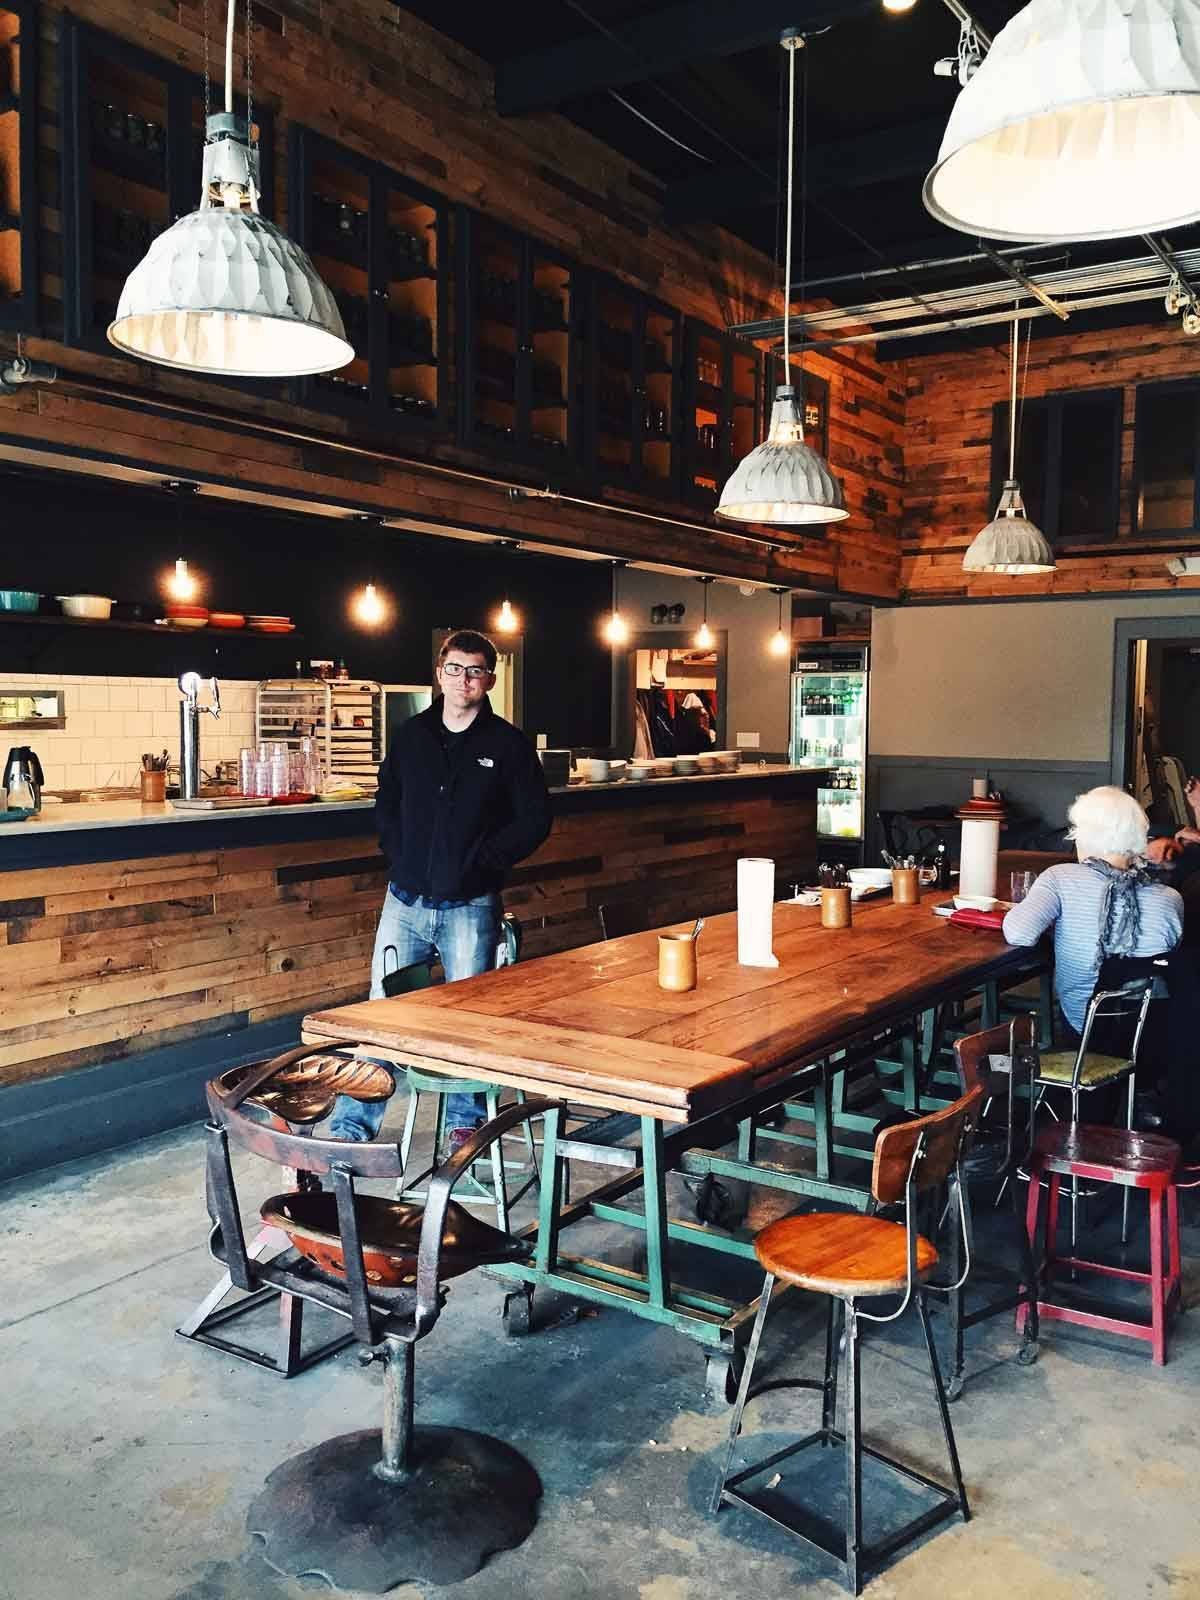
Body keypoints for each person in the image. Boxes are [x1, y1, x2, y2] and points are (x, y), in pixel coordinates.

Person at [327, 629, 551, 1148]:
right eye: (454, 668)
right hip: (404, 901)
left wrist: (485, 862)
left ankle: (462, 1125)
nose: (463, 680)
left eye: (474, 671)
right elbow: (388, 800)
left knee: (465, 1019)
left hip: (470, 905)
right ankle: (349, 1131)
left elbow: (535, 819)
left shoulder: (507, 745)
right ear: (440, 673)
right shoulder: (412, 736)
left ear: (489, 680)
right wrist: (398, 853)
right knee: (381, 1013)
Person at [1001, 785, 1183, 1044]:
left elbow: (1019, 933)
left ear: (1082, 834)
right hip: (1151, 1040)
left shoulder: (1060, 878)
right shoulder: (1170, 899)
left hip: (1086, 1033)